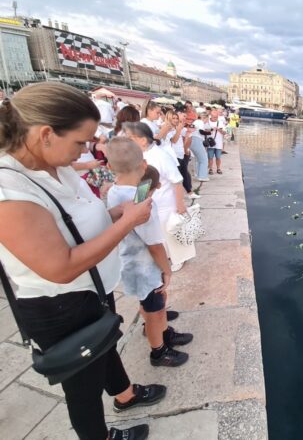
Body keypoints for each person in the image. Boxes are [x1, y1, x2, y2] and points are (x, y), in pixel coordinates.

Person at [0, 82, 164, 440]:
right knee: (83, 390)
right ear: (46, 134)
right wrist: (126, 223)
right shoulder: (10, 191)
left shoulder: (54, 162)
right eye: (80, 143)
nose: (85, 151)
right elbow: (60, 267)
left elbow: (76, 220)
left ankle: (125, 395)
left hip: (92, 291)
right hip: (61, 306)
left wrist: (113, 212)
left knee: (104, 344)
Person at [106, 139, 193, 367]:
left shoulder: (115, 192)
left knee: (150, 304)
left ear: (109, 167)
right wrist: (166, 270)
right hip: (146, 268)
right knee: (154, 309)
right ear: (144, 164)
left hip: (130, 263)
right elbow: (154, 244)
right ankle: (159, 350)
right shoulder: (142, 202)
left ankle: (163, 332)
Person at [121, 122, 196, 272]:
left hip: (166, 203)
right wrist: (139, 201)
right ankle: (165, 256)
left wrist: (180, 204)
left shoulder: (160, 156)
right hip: (152, 202)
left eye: (130, 138)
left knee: (171, 233)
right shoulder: (140, 156)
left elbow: (177, 181)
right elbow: (143, 180)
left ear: (142, 140)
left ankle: (178, 259)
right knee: (159, 234)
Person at [167, 111, 198, 199]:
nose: (176, 120)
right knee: (179, 176)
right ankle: (186, 193)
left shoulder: (179, 128)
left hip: (180, 154)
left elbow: (187, 137)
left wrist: (186, 149)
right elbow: (174, 140)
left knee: (184, 174)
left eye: (177, 118)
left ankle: (189, 192)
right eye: (174, 118)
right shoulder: (169, 128)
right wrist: (179, 130)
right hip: (174, 155)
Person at [206, 108, 227, 174]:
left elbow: (224, 132)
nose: (215, 118)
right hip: (210, 143)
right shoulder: (207, 122)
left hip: (218, 143)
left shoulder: (220, 122)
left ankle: (218, 168)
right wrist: (211, 129)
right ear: (211, 116)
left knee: (218, 157)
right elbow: (204, 131)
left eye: (216, 117)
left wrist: (219, 129)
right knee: (210, 157)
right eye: (214, 117)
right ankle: (210, 169)